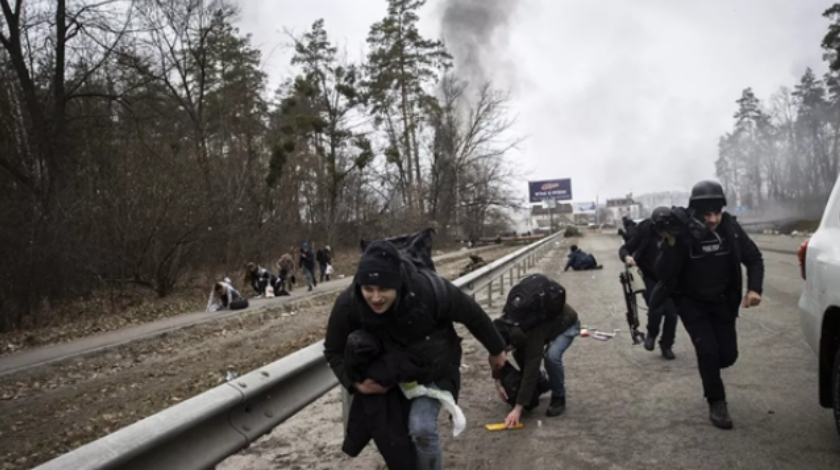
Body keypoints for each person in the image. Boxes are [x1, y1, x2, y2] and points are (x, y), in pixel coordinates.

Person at [324, 237, 507, 470]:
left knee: (421, 428)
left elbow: (473, 314)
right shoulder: (349, 304)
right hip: (389, 372)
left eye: (384, 289)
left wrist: (497, 350)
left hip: (435, 364)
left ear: (398, 284)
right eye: (368, 289)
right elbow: (333, 350)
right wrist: (355, 384)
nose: (376, 298)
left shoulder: (429, 290)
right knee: (396, 443)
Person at [649, 180, 763, 430]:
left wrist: (754, 288)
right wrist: (670, 243)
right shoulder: (682, 233)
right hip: (692, 304)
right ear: (696, 212)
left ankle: (710, 367)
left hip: (724, 302)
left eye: (717, 213)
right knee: (708, 351)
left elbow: (753, 257)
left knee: (728, 356)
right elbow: (662, 272)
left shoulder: (730, 228)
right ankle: (717, 401)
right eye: (707, 214)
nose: (712, 219)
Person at [491, 274, 580, 428]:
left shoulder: (531, 332)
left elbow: (531, 367)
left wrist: (518, 409)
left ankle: (559, 397)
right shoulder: (507, 322)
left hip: (568, 324)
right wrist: (498, 383)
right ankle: (542, 384)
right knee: (519, 353)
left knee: (551, 357)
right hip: (549, 326)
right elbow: (494, 357)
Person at [618, 207, 678, 360]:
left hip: (669, 278)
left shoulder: (676, 232)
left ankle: (666, 345)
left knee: (671, 314)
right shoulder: (644, 230)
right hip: (648, 276)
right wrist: (627, 257)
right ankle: (651, 333)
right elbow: (625, 248)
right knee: (656, 309)